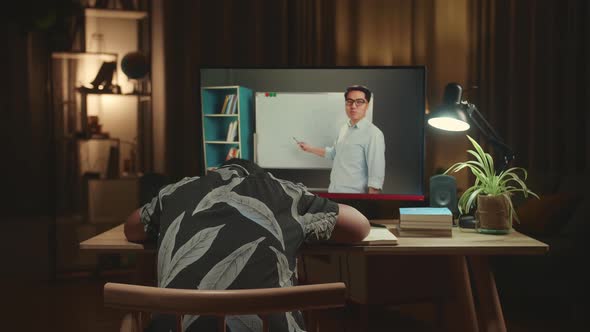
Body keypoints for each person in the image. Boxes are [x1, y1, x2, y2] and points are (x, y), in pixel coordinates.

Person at [124, 158, 370, 332]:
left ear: (214, 172)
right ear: (260, 175)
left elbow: (132, 227)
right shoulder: (284, 191)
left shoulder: (175, 191)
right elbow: (359, 226)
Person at [297, 85, 385, 194]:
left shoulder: (373, 134)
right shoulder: (344, 129)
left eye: (359, 101)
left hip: (355, 197)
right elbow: (333, 153)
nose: (353, 106)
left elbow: (376, 178)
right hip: (334, 192)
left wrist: (371, 205)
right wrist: (309, 148)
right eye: (349, 101)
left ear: (367, 105)